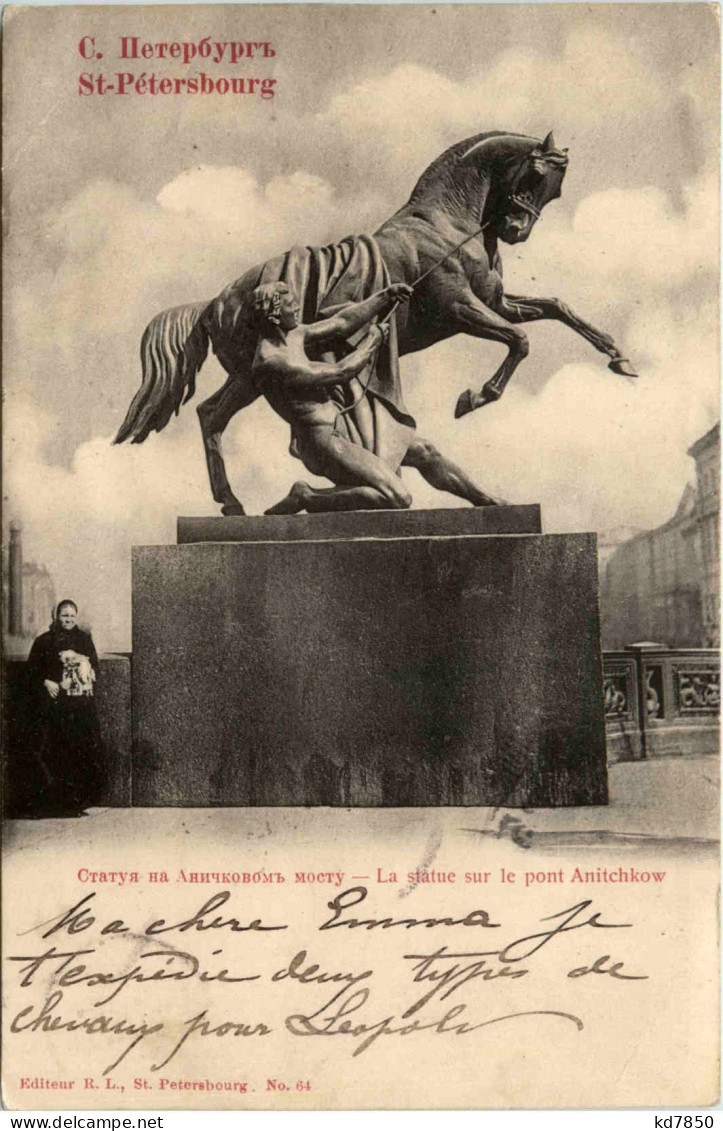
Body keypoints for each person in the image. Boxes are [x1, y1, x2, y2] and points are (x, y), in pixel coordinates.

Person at [253, 281, 502, 513]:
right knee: (396, 498)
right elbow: (341, 372)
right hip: (323, 444)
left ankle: (486, 501)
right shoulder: (271, 361)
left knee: (425, 451)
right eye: (290, 306)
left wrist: (385, 296)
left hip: (344, 426)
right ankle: (308, 497)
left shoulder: (294, 334)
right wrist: (373, 341)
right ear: (274, 314)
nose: (296, 308)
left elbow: (341, 323)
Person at [26, 599, 103, 817]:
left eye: (71, 616)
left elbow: (95, 667)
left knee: (79, 752)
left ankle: (75, 802)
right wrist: (45, 681)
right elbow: (32, 670)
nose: (68, 620)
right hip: (54, 707)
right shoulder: (44, 641)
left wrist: (87, 666)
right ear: (56, 617)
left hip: (79, 708)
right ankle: (57, 803)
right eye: (64, 616)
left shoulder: (84, 640)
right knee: (56, 752)